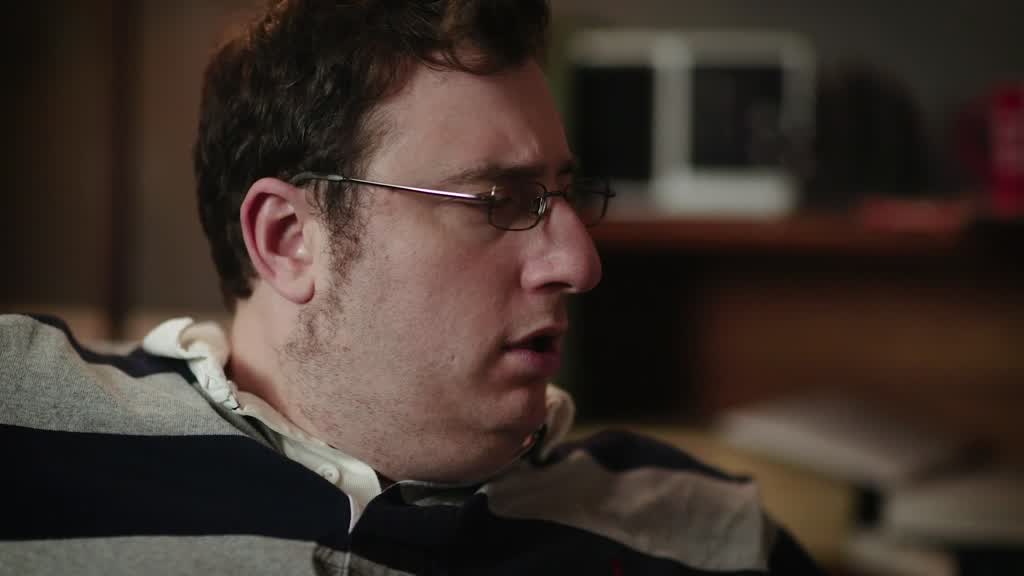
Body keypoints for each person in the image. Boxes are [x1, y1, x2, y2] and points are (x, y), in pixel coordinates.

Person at [0, 1, 823, 574]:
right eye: (498, 199)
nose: (580, 264)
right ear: (290, 240)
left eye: (564, 195)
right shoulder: (26, 420)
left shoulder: (701, 531)